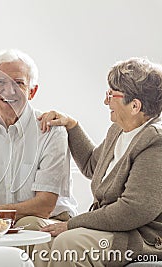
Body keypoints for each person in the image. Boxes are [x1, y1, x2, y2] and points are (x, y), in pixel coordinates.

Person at [35, 57, 162, 266]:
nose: (106, 101)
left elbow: (133, 210)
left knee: (69, 244)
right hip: (110, 229)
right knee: (43, 240)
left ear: (135, 105)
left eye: (111, 95)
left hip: (139, 237)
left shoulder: (155, 142)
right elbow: (92, 166)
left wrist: (73, 224)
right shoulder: (119, 130)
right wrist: (71, 125)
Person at [0, 49, 77, 229]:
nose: (9, 91)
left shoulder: (51, 131)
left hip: (51, 222)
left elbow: (44, 206)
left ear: (32, 91)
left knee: (30, 223)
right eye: (0, 82)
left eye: (18, 83)